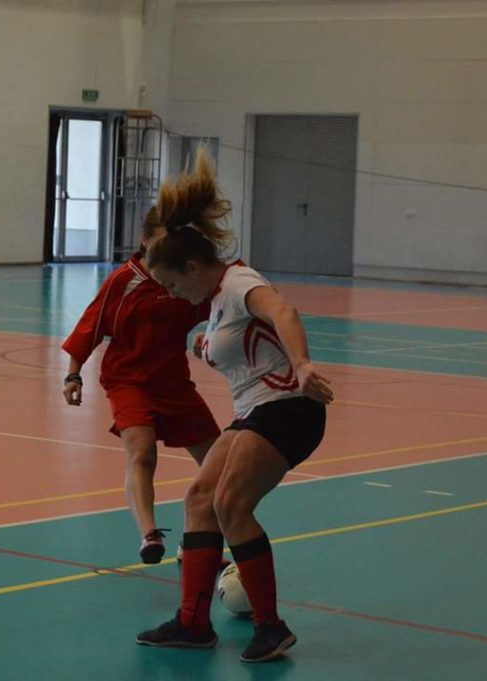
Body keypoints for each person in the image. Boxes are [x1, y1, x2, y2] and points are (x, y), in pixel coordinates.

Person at [136, 149, 334, 663]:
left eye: (174, 283)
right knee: (200, 498)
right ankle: (192, 623)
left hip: (289, 407)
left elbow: (284, 312)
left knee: (231, 504)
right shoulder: (217, 301)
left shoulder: (239, 283)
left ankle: (271, 627)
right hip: (255, 411)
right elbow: (237, 342)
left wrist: (303, 364)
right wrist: (205, 344)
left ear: (193, 266)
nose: (174, 294)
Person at [61, 209, 220, 564]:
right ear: (145, 240)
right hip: (128, 380)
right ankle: (150, 535)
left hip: (174, 383)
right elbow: (90, 325)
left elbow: (216, 309)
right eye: (161, 239)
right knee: (143, 452)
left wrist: (211, 338)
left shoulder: (185, 277)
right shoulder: (124, 281)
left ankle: (194, 540)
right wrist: (73, 374)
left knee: (219, 464)